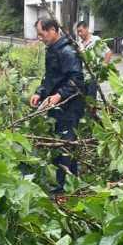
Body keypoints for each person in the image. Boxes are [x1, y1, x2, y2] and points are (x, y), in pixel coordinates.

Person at [31, 17, 85, 195]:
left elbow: (77, 80)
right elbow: (50, 77)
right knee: (61, 145)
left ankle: (63, 191)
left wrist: (59, 95)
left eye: (42, 34)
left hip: (70, 107)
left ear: (53, 30)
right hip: (57, 106)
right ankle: (71, 184)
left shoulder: (67, 51)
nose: (40, 38)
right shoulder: (52, 50)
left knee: (65, 147)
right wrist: (40, 92)